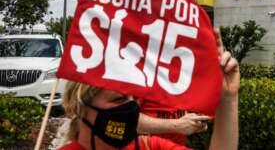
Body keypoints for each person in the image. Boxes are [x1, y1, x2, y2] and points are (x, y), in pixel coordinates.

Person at [58, 28, 239, 150]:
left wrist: (228, 98)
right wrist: (176, 125)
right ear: (78, 107)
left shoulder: (146, 145)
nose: (131, 107)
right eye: (118, 99)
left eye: (133, 98)